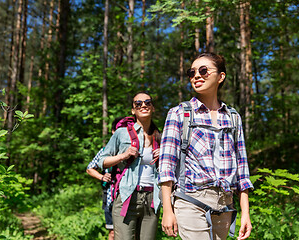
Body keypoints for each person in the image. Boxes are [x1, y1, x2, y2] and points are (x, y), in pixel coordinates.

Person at [159, 52, 253, 240]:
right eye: (191, 72)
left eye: (203, 70)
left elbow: (242, 170)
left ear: (221, 76)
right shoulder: (179, 114)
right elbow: (166, 166)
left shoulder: (233, 117)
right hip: (190, 200)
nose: (196, 75)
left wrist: (246, 213)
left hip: (225, 204)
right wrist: (167, 210)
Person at [98, 92, 162, 240]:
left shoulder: (160, 136)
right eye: (138, 104)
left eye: (147, 102)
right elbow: (102, 161)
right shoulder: (121, 133)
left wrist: (164, 156)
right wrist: (123, 155)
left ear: (152, 107)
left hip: (152, 199)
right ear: (133, 110)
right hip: (127, 196)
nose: (143, 105)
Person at [86, 117, 124, 240]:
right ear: (113, 131)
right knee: (113, 232)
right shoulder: (105, 151)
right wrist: (102, 177)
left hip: (128, 195)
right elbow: (90, 168)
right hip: (110, 196)